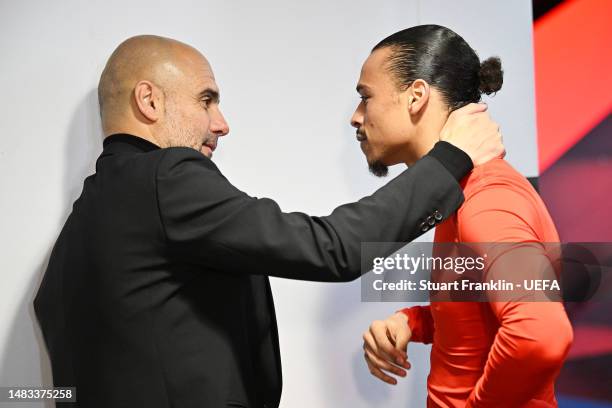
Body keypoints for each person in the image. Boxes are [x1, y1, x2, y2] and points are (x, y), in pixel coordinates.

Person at [33, 34, 503, 408]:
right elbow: (333, 248)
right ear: (149, 101)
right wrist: (449, 160)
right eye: (206, 100)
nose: (221, 123)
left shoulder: (79, 229)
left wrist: (414, 321)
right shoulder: (164, 176)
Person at [358, 25, 573, 407]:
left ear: (416, 96)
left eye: (365, 97)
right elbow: (477, 312)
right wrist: (412, 321)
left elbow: (541, 334)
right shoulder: (460, 192)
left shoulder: (487, 196)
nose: (356, 117)